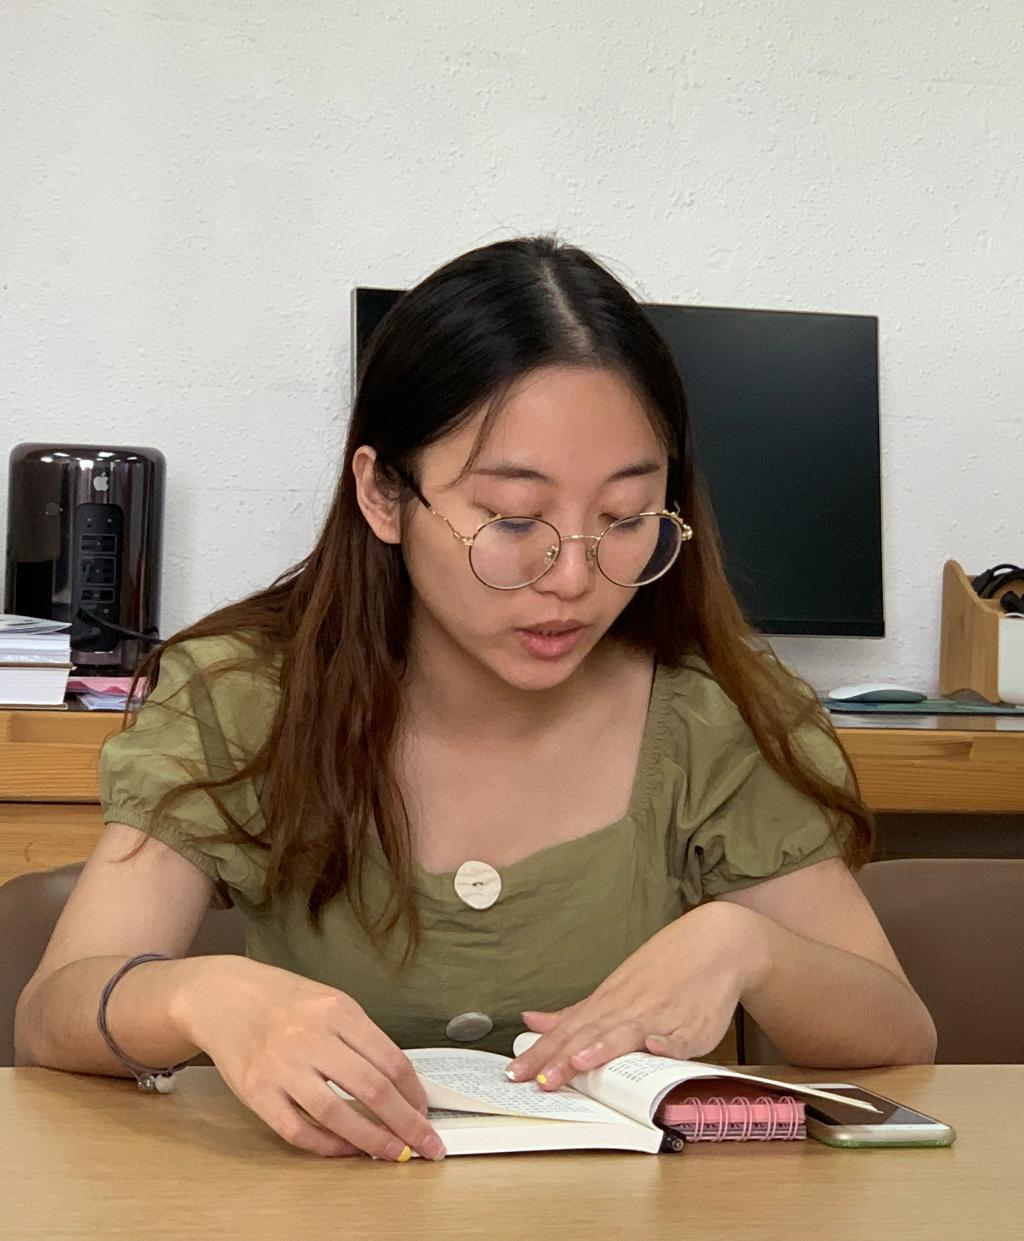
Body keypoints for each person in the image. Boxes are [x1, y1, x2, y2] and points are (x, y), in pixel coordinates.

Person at [14, 235, 936, 1164]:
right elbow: (53, 1012)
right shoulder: (246, 697)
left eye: (624, 518)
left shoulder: (709, 716)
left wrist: (750, 947)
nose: (573, 578)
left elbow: (900, 1035)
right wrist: (198, 996)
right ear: (383, 493)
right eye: (513, 519)